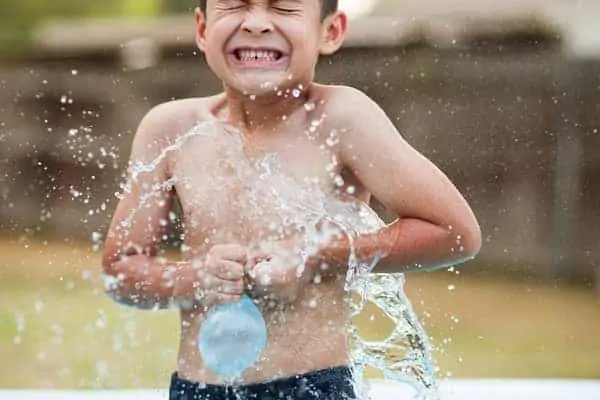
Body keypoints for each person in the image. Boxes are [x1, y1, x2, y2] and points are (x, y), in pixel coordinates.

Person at [101, 0, 482, 399]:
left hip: (313, 387)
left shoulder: (340, 119)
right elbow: (121, 271)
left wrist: (318, 255)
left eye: (284, 7)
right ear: (202, 28)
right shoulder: (170, 129)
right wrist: (193, 278)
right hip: (197, 390)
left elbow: (456, 233)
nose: (257, 23)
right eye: (234, 5)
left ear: (329, 32)